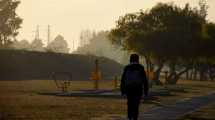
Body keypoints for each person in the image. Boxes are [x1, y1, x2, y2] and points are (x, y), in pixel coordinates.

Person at [121, 54, 149, 120]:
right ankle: (135, 117)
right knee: (136, 104)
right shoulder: (140, 67)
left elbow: (123, 79)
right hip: (138, 88)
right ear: (137, 59)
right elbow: (145, 80)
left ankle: (129, 116)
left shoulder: (127, 67)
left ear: (130, 59)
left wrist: (122, 90)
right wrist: (146, 91)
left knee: (130, 102)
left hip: (129, 88)